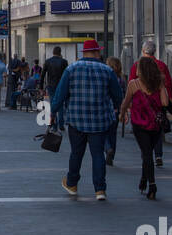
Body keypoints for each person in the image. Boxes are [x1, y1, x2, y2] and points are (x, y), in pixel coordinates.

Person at [50, 40, 121, 203]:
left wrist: (53, 112)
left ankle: (72, 183)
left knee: (77, 153)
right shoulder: (107, 70)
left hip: (76, 119)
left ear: (84, 53)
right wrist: (121, 110)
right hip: (99, 121)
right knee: (98, 155)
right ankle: (100, 189)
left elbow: (60, 94)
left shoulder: (71, 69)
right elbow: (117, 95)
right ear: (96, 52)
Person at [121, 56, 168, 199]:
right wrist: (162, 85)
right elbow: (165, 103)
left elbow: (126, 102)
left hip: (139, 125)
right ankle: (143, 179)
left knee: (146, 153)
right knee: (147, 152)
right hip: (155, 125)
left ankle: (152, 185)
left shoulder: (133, 84)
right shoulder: (158, 83)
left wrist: (122, 114)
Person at [129, 41, 172, 168]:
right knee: (157, 128)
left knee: (143, 128)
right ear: (154, 51)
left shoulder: (137, 65)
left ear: (143, 51)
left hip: (142, 105)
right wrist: (168, 101)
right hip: (158, 104)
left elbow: (132, 84)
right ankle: (158, 155)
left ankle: (146, 154)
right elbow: (168, 85)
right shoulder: (161, 65)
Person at [105, 57, 128, 166]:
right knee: (113, 133)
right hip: (117, 110)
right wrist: (123, 111)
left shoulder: (106, 77)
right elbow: (123, 96)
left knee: (104, 132)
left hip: (106, 109)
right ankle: (112, 154)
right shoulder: (122, 79)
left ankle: (108, 148)